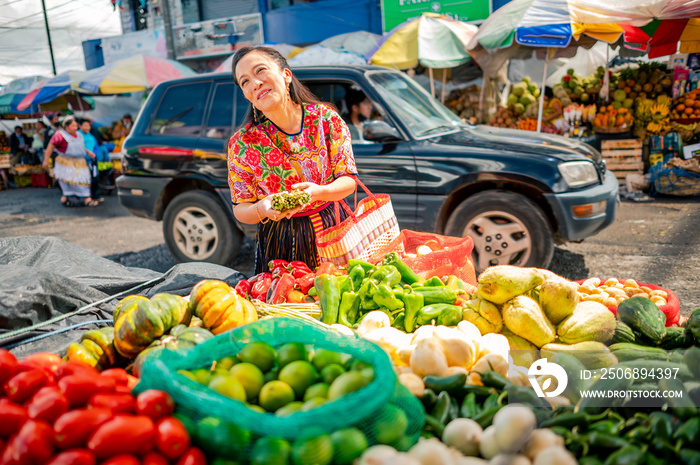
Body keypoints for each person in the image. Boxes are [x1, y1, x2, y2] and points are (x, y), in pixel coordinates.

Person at [229, 45, 358, 274]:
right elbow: (241, 208)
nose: (255, 83)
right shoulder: (243, 143)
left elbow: (348, 181)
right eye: (245, 81)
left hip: (333, 231)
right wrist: (262, 208)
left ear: (286, 75)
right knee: (289, 306)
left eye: (260, 71)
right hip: (280, 241)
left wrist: (317, 192)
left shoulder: (325, 120)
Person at [42, 117, 99, 207]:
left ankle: (86, 198)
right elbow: (50, 147)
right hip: (66, 162)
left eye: (76, 126)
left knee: (82, 180)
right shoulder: (59, 135)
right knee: (67, 181)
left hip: (80, 162)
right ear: (66, 127)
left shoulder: (79, 135)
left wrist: (89, 152)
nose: (75, 128)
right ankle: (66, 198)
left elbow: (80, 146)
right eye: (73, 126)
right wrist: (46, 161)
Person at [79, 119, 100, 199]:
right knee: (85, 179)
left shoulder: (91, 136)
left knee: (95, 178)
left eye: (89, 126)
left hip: (92, 161)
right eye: (85, 125)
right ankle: (86, 197)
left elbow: (96, 147)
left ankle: (95, 196)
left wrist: (94, 154)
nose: (88, 127)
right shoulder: (78, 136)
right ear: (80, 126)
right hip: (83, 162)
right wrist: (88, 153)